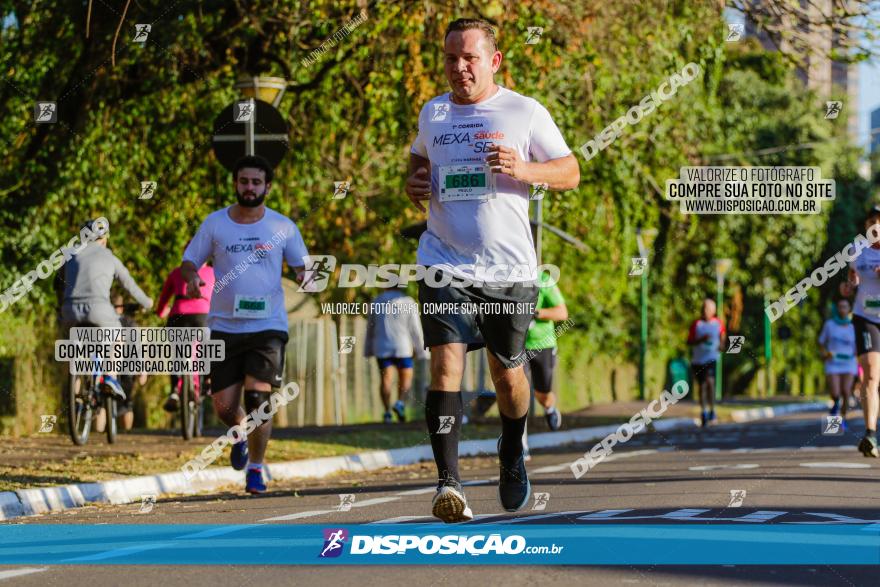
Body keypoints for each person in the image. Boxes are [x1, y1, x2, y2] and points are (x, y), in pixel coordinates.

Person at [405, 18, 580, 522]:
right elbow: (417, 164)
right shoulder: (433, 112)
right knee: (446, 364)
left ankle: (511, 453)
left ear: (494, 61)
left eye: (469, 58)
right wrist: (414, 185)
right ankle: (449, 485)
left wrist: (524, 170)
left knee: (507, 374)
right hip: (443, 262)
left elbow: (570, 171)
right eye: (450, 59)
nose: (458, 68)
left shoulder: (524, 111)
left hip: (508, 268)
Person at [181, 155, 309, 494]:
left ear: (267, 186)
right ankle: (239, 433)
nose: (249, 187)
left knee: (257, 397)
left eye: (256, 182)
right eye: (243, 181)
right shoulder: (215, 224)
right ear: (235, 184)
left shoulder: (282, 226)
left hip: (268, 326)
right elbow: (190, 261)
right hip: (224, 325)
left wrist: (304, 274)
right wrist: (192, 277)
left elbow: (303, 266)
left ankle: (256, 469)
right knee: (223, 407)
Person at [59, 220, 153, 431]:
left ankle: (75, 395)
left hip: (70, 312)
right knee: (117, 335)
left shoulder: (69, 254)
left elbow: (58, 283)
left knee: (75, 350)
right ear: (104, 239)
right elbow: (129, 285)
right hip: (99, 312)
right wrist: (147, 302)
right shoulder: (109, 257)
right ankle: (110, 376)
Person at [156, 243, 215, 413]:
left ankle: (175, 390)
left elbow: (163, 300)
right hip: (202, 317)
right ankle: (209, 381)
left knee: (177, 353)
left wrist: (160, 313)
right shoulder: (213, 273)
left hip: (178, 317)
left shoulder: (176, 272)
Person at [840, 206, 880, 457]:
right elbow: (852, 278)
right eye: (871, 221)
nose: (875, 225)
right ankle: (870, 435)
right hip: (866, 317)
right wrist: (849, 286)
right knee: (871, 374)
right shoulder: (858, 250)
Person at [363, 286, 427, 423]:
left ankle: (387, 413)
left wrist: (367, 349)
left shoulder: (377, 301)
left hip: (382, 346)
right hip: (403, 346)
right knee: (406, 377)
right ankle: (400, 403)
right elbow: (415, 328)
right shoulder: (408, 301)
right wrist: (421, 351)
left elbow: (370, 327)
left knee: (386, 379)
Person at [524, 269, 568, 431]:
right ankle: (519, 444)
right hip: (517, 345)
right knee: (516, 392)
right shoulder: (503, 277)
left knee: (543, 396)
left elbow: (562, 313)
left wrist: (535, 313)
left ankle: (549, 409)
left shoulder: (543, 279)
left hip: (542, 345)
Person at [818, 298, 858, 430]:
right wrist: (825, 354)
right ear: (836, 309)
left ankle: (843, 418)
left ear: (849, 309)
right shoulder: (829, 325)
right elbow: (821, 342)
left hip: (849, 362)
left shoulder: (853, 326)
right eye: (840, 306)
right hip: (833, 363)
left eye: (845, 307)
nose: (842, 309)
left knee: (846, 392)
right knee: (835, 393)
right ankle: (834, 416)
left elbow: (857, 346)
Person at [686, 298, 726, 427]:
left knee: (710, 381)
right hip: (698, 360)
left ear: (713, 311)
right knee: (702, 386)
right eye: (703, 308)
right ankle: (703, 411)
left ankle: (713, 411)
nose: (704, 311)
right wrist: (700, 340)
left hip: (711, 358)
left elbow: (722, 338)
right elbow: (689, 342)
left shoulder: (718, 324)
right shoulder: (697, 324)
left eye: (707, 308)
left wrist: (722, 345)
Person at [112, 295, 148, 431]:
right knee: (126, 405)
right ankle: (126, 435)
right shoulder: (130, 323)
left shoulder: (100, 321)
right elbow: (137, 348)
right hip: (127, 370)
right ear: (121, 307)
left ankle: (101, 434)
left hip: (106, 369)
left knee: (104, 405)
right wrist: (142, 369)